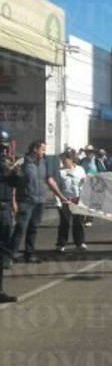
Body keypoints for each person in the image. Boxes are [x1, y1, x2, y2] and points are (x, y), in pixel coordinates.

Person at [9, 140, 70, 265]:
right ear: (35, 149)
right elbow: (14, 182)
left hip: (40, 201)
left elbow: (49, 180)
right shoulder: (22, 163)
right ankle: (10, 254)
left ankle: (29, 254)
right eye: (42, 149)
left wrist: (61, 196)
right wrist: (13, 200)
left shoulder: (44, 162)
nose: (44, 152)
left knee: (34, 228)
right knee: (21, 227)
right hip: (26, 200)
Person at [55, 152, 88, 252]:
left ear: (71, 159)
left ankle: (80, 243)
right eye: (62, 160)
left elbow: (85, 184)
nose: (63, 162)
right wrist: (58, 202)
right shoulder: (60, 172)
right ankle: (61, 244)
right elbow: (57, 188)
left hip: (78, 199)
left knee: (78, 222)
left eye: (65, 159)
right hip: (65, 200)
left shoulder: (80, 170)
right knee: (64, 223)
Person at [0, 128, 18, 302]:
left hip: (4, 208)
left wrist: (14, 172)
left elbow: (15, 183)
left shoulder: (6, 162)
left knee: (3, 249)